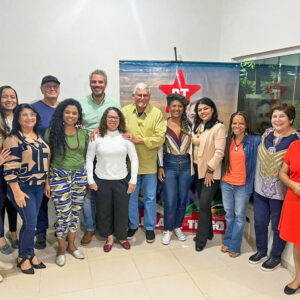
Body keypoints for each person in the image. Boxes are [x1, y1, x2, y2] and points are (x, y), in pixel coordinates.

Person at [249, 102, 300, 271]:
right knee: (260, 222)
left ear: (291, 119)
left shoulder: (296, 140)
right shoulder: (267, 134)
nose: (277, 120)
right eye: (274, 116)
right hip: (260, 189)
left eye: (282, 116)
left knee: (278, 226)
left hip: (282, 193)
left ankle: (275, 256)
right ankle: (261, 251)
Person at [3, 104, 50, 274]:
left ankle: (30, 254)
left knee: (32, 223)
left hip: (38, 187)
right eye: (25, 115)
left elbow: (44, 162)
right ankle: (23, 257)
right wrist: (16, 191)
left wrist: (46, 183)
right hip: (22, 188)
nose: (29, 117)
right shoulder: (13, 139)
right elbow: (9, 168)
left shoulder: (38, 136)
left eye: (32, 114)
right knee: (30, 224)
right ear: (18, 118)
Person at [86, 107, 138, 252]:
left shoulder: (125, 138)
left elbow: (134, 160)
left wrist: (133, 180)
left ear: (120, 120)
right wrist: (91, 180)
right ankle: (109, 237)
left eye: (116, 118)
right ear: (105, 119)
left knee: (122, 211)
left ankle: (121, 237)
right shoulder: (96, 137)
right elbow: (89, 159)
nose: (113, 120)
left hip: (122, 181)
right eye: (110, 117)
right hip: (102, 181)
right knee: (104, 211)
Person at [44, 99, 88, 266]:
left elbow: (84, 156)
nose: (71, 115)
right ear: (62, 113)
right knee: (63, 214)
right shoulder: (52, 132)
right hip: (58, 176)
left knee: (75, 212)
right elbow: (47, 157)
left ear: (78, 116)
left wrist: (83, 176)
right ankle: (61, 249)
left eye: (74, 113)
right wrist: (47, 182)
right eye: (67, 112)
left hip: (79, 176)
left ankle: (71, 245)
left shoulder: (83, 133)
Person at [79, 69, 121, 246]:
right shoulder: (81, 104)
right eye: (94, 82)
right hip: (86, 155)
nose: (97, 85)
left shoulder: (113, 103)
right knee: (88, 194)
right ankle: (90, 228)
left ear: (106, 84)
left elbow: (119, 126)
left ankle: (108, 228)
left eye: (100, 82)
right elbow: (75, 125)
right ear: (90, 84)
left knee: (107, 194)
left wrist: (100, 128)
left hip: (107, 156)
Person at [122, 83, 166, 243]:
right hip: (129, 166)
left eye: (145, 95)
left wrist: (138, 140)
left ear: (149, 96)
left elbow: (160, 137)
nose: (142, 98)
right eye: (139, 95)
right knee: (131, 198)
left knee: (149, 198)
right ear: (134, 96)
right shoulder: (124, 112)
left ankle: (149, 227)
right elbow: (116, 132)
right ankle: (133, 224)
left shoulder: (156, 114)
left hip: (149, 166)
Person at [220, 112, 260, 257]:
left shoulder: (254, 141)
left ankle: (235, 247)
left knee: (239, 216)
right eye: (234, 123)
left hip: (243, 185)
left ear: (246, 125)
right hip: (226, 184)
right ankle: (228, 241)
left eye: (241, 123)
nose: (237, 126)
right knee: (229, 214)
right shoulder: (227, 140)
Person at [191, 97, 227, 252]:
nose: (202, 112)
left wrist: (210, 170)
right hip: (197, 171)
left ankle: (201, 239)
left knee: (205, 204)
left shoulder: (219, 127)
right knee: (202, 204)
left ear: (212, 109)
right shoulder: (198, 125)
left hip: (210, 174)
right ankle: (209, 232)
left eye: (205, 108)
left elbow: (219, 152)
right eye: (199, 109)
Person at [158, 94, 193, 245]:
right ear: (169, 107)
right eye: (174, 106)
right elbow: (159, 147)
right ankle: (167, 229)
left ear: (183, 108)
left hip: (186, 165)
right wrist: (160, 166)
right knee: (170, 200)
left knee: (182, 199)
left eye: (180, 106)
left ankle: (178, 227)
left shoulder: (189, 125)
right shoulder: (163, 125)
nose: (177, 109)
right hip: (169, 164)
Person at [32, 75, 60, 250]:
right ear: (42, 89)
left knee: (61, 197)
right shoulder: (34, 109)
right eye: (48, 86)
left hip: (60, 160)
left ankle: (60, 227)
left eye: (55, 86)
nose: (52, 89)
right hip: (39, 161)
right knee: (41, 199)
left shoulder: (64, 108)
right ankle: (40, 232)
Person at [279, 140, 300, 295]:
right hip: (295, 199)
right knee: (298, 242)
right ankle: (298, 278)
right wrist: (293, 185)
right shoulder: (295, 146)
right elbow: (282, 173)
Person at [0, 86, 19, 254]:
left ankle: (13, 233)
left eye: (12, 96)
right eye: (5, 96)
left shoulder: (21, 117)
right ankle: (0, 238)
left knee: (13, 202)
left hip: (18, 168)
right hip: (0, 169)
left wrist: (81, 128)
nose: (9, 100)